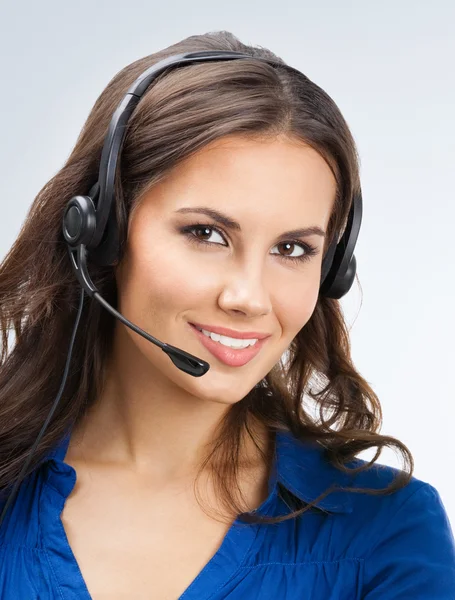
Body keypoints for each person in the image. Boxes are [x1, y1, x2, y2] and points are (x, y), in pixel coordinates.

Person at [0, 30, 454, 600]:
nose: (249, 297)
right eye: (206, 234)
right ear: (102, 232)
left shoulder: (387, 534)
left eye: (292, 249)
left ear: (332, 268)